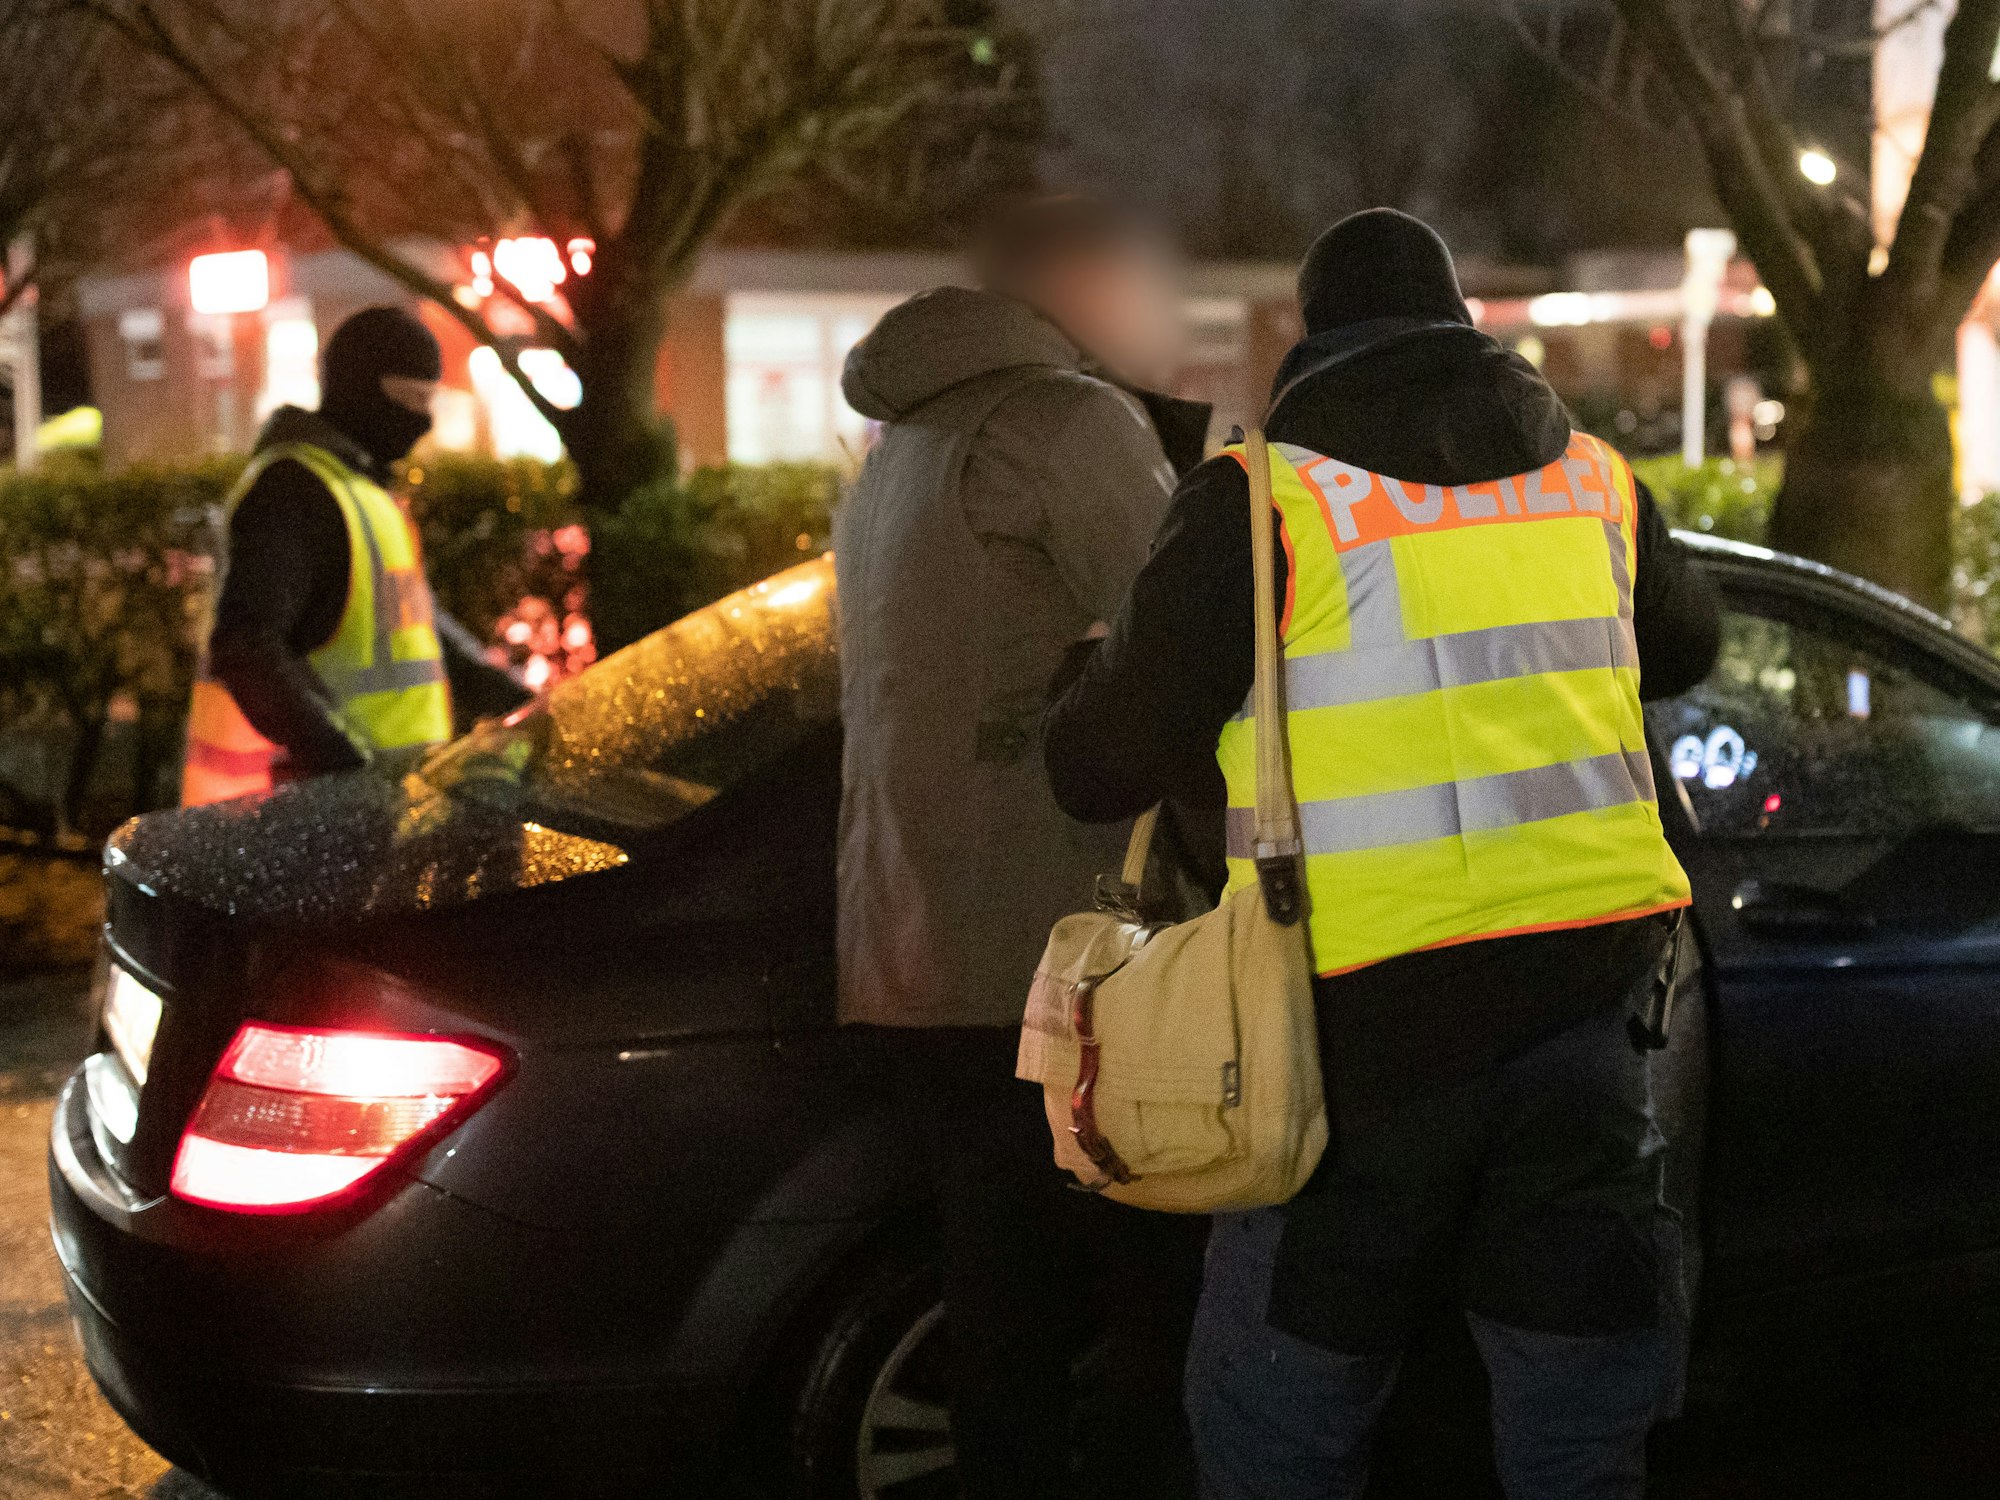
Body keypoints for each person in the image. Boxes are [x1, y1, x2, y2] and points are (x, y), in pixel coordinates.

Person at [1043, 208, 1722, 1500]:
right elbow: (1685, 646)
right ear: (1459, 323)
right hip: (1590, 1023)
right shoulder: (1590, 482)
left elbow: (1093, 766)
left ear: (1313, 340)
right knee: (1577, 1432)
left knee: (1282, 1428)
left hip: (1356, 1042)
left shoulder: (1265, 506)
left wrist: (1107, 671)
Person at [834, 196, 1214, 1499]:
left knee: (1000, 1298)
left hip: (912, 944)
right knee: (1152, 1292)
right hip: (1056, 949)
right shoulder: (1062, 424)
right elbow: (1174, 634)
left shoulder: (905, 445)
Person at [181, 306, 524, 806]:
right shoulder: (294, 490)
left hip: (382, 812)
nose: (423, 420)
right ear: (361, 389)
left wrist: (527, 703)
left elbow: (424, 631)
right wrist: (345, 764)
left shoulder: (364, 492)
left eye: (430, 400)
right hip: (309, 823)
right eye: (410, 398)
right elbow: (247, 645)